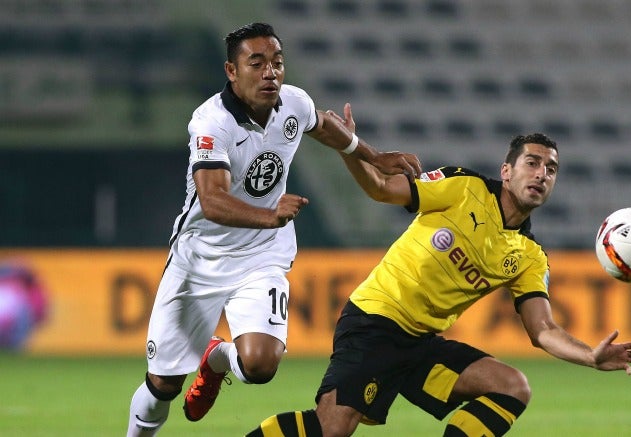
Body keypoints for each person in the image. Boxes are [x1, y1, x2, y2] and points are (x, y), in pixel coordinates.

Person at [246, 107, 631, 437]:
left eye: (552, 169)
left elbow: (542, 331)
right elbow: (382, 189)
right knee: (331, 430)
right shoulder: (463, 187)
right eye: (532, 162)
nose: (542, 173)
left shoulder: (530, 256)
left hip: (420, 343)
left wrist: (590, 357)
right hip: (375, 320)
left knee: (512, 386)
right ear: (507, 171)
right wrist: (350, 147)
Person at [126, 23, 421, 436]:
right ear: (232, 70)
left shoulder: (293, 102)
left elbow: (322, 125)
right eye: (257, 63)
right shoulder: (211, 122)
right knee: (163, 386)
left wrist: (374, 155)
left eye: (277, 63)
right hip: (201, 257)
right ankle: (187, 381)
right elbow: (212, 201)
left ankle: (214, 360)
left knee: (261, 366)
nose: (271, 73)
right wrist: (270, 215)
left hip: (262, 254)